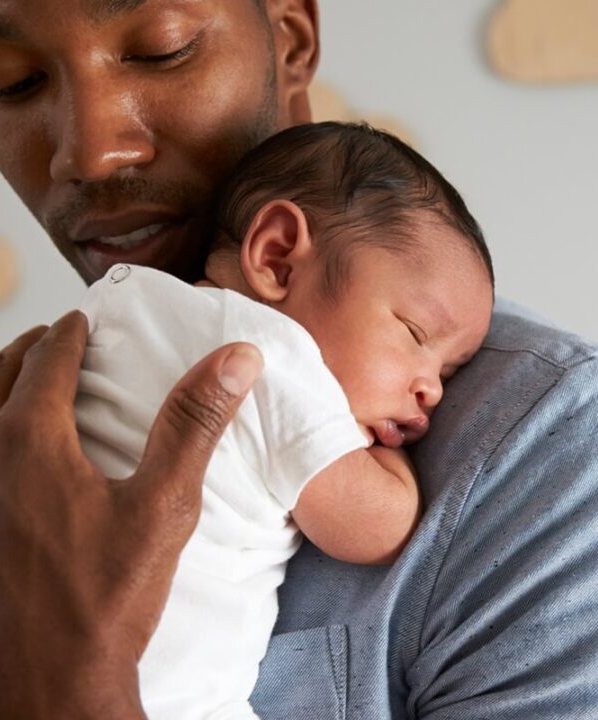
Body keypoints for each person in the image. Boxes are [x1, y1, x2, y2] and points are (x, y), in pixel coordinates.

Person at [0, 1, 598, 718]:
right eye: (11, 81)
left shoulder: (554, 449)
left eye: (161, 48)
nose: (90, 150)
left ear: (289, 37)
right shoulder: (20, 436)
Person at [74, 121, 493, 719]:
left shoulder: (116, 308)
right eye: (414, 334)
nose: (430, 389)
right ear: (277, 259)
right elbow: (377, 528)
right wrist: (383, 453)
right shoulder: (270, 354)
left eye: (449, 374)